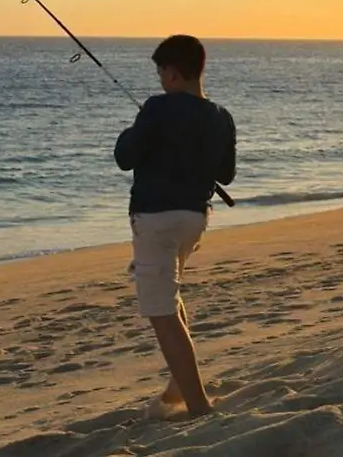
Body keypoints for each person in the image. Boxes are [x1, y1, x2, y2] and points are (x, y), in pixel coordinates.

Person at [114, 34, 236, 420]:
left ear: (173, 72)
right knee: (169, 298)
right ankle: (178, 385)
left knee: (161, 313)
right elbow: (227, 175)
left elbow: (125, 156)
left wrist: (129, 134)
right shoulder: (220, 117)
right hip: (194, 221)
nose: (160, 78)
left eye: (161, 71)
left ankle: (198, 406)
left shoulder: (156, 109)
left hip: (156, 221)